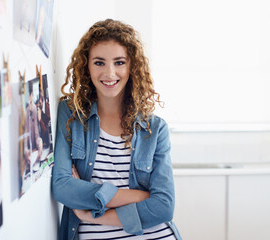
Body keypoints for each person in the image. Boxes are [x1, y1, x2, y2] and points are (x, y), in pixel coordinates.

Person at [52, 19, 182, 240]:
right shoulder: (71, 114)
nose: (110, 73)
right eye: (99, 63)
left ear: (132, 66)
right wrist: (140, 196)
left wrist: (94, 217)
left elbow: (164, 208)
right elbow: (63, 188)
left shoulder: (155, 128)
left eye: (119, 62)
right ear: (87, 65)